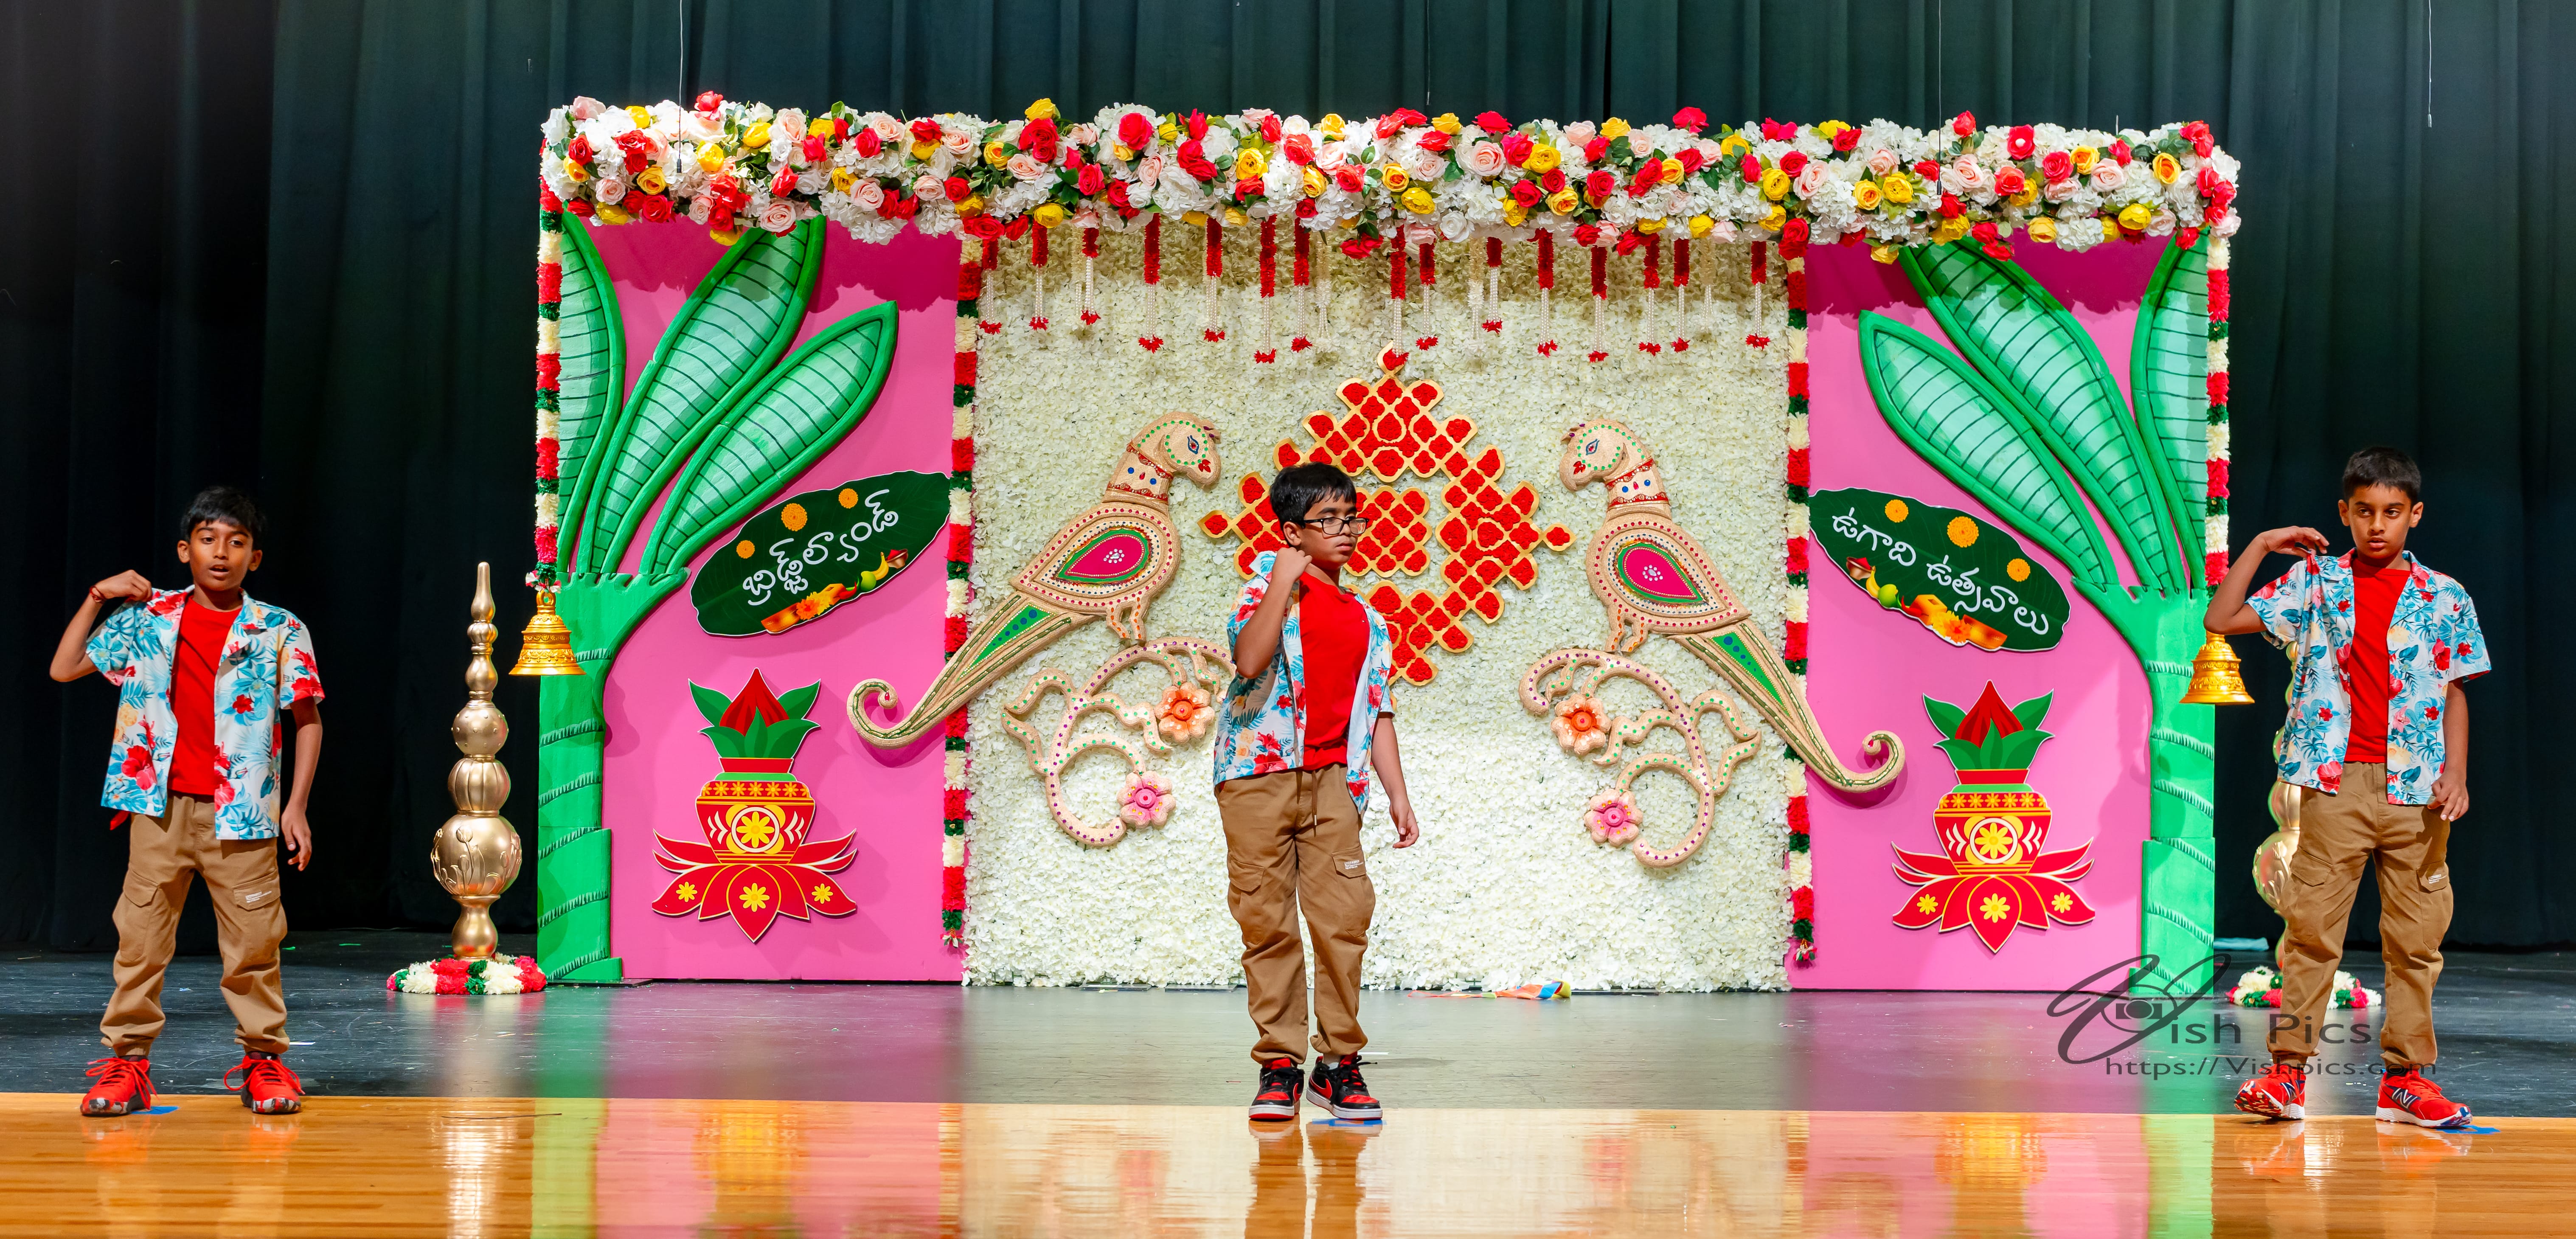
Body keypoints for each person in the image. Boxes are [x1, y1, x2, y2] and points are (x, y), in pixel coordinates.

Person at [2204, 447, 2486, 1129]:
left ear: (2414, 515)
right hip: (2335, 786)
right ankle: (2286, 1075)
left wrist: (2455, 773)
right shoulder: (2314, 582)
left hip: (2416, 789)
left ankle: (2405, 1083)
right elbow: (2221, 619)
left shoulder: (2444, 595)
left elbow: (2455, 692)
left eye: (2391, 512)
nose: (2376, 525)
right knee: (2311, 934)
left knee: (2416, 941)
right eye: (2363, 512)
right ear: (2344, 513)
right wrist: (2261, 545)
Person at [51, 486, 325, 1117]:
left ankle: (264, 1063)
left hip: (243, 812)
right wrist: (97, 596)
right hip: (159, 808)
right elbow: (65, 668)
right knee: (141, 941)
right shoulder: (149, 618)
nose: (221, 553)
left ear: (255, 557)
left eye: (236, 542)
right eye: (208, 540)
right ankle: (127, 1064)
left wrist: (296, 806)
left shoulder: (279, 628)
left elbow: (307, 718)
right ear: (185, 550)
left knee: (254, 945)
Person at [1216, 462, 1419, 1122]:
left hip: (1333, 783)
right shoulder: (1264, 590)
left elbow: (1377, 708)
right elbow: (1249, 661)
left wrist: (1397, 792)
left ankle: (1337, 1066)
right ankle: (1279, 1065)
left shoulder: (1367, 618)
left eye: (1350, 517)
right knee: (1266, 923)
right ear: (1291, 531)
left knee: (1343, 921)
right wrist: (1282, 581)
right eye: (1327, 520)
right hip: (1258, 778)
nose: (1345, 531)